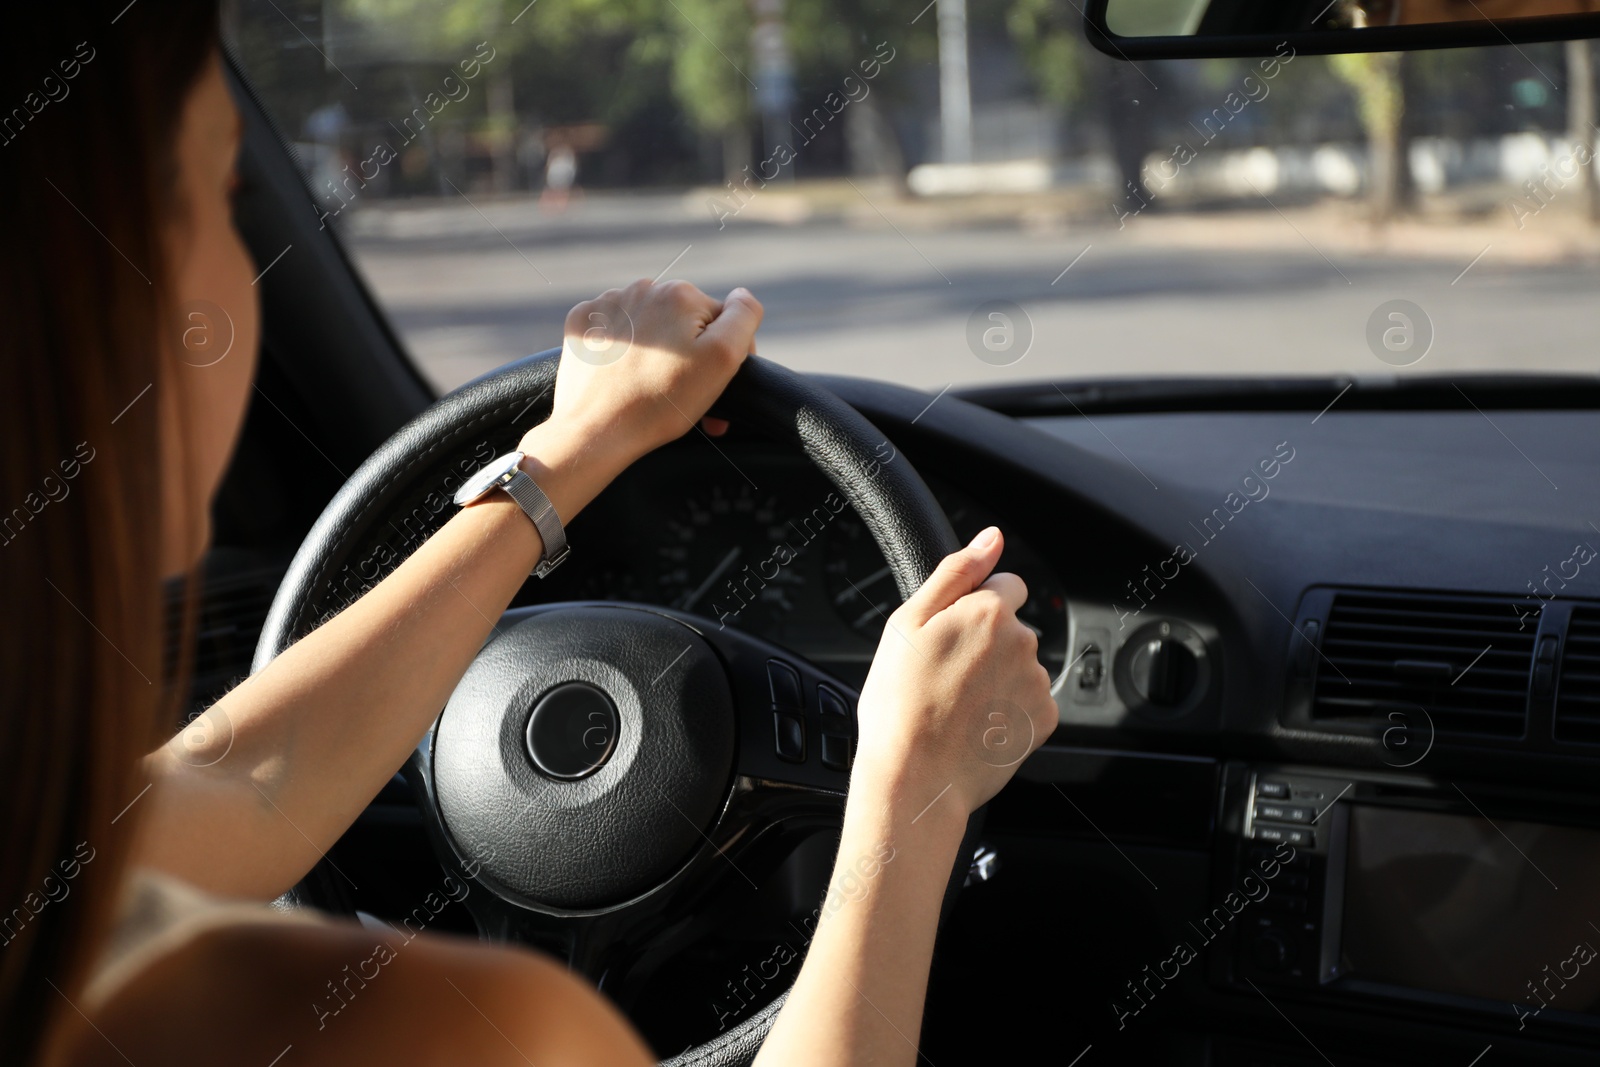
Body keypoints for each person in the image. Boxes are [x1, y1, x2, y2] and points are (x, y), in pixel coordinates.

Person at [0, 5, 1057, 1066]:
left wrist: (567, 456)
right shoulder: (443, 1029)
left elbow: (238, 784)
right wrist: (912, 792)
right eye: (225, 197)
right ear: (90, 281)